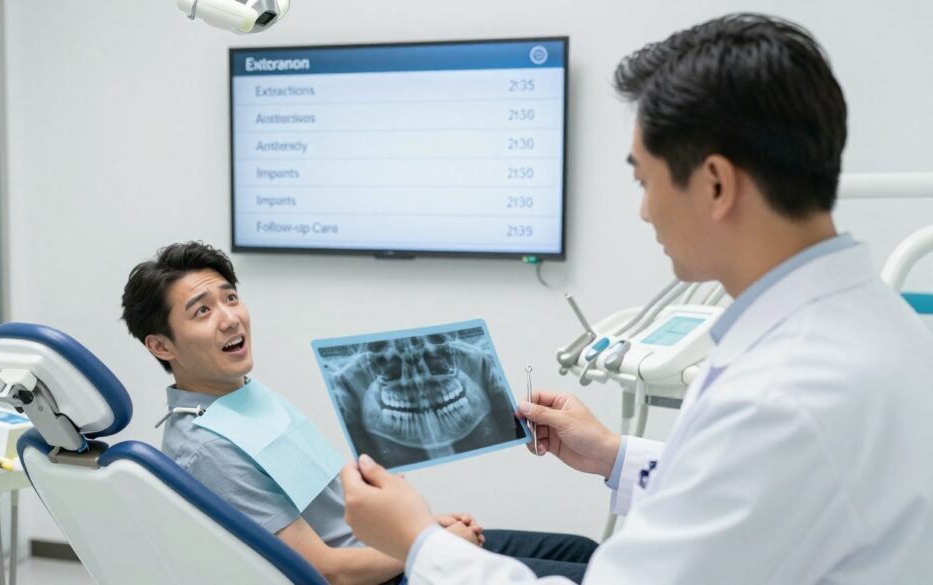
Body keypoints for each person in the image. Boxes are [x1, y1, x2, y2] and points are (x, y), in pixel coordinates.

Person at [339, 13, 933, 584]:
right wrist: (614, 455)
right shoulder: (878, 324)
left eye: (644, 181)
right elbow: (753, 502)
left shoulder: (781, 393)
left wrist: (419, 543)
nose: (645, 210)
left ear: (717, 185)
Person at [120, 241, 598, 585]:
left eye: (230, 297)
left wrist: (424, 527)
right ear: (161, 345)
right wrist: (427, 540)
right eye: (201, 311)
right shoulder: (206, 448)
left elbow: (331, 507)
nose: (230, 317)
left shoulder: (242, 395)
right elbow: (325, 572)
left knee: (582, 552)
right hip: (374, 576)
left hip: (388, 550)